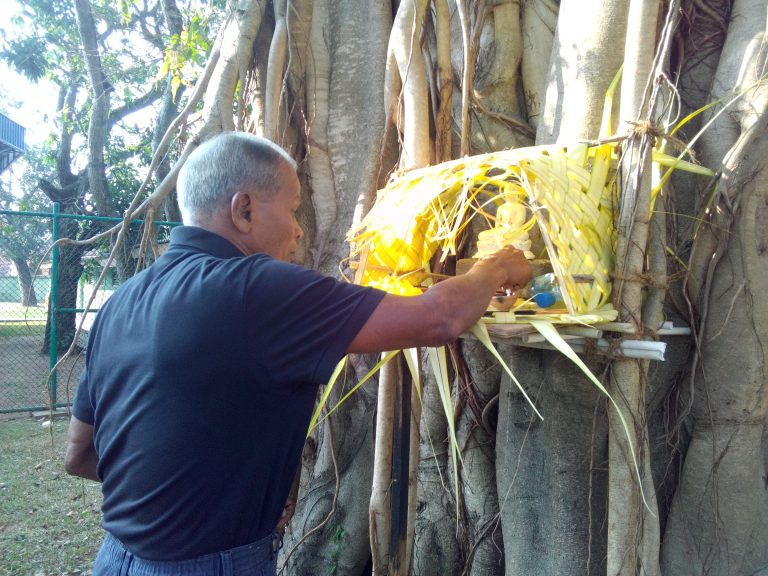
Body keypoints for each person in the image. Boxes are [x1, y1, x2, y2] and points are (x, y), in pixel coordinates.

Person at [65, 132, 531, 575]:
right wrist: (496, 266)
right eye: (291, 209)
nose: (298, 230)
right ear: (244, 209)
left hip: (114, 560)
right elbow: (439, 318)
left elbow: (81, 455)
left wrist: (210, 498)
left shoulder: (119, 303)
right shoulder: (259, 289)